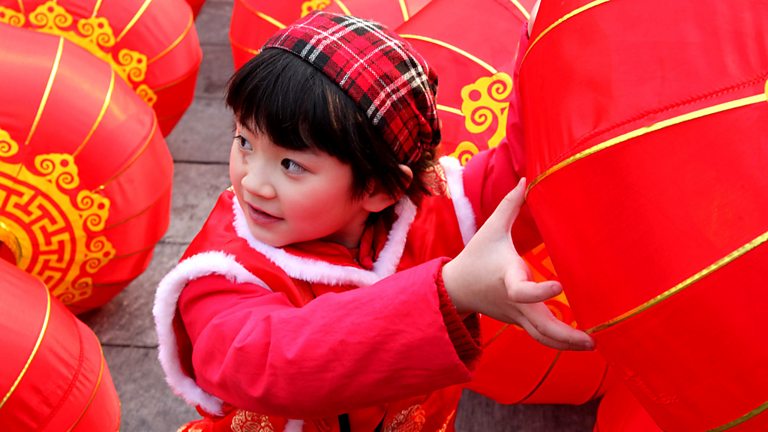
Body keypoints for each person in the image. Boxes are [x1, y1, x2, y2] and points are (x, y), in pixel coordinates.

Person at [154, 11, 593, 432]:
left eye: (290, 165)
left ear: (380, 190)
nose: (253, 182)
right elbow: (275, 361)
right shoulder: (222, 270)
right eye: (244, 141)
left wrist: (555, 44)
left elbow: (532, 169)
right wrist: (450, 293)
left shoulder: (431, 211)